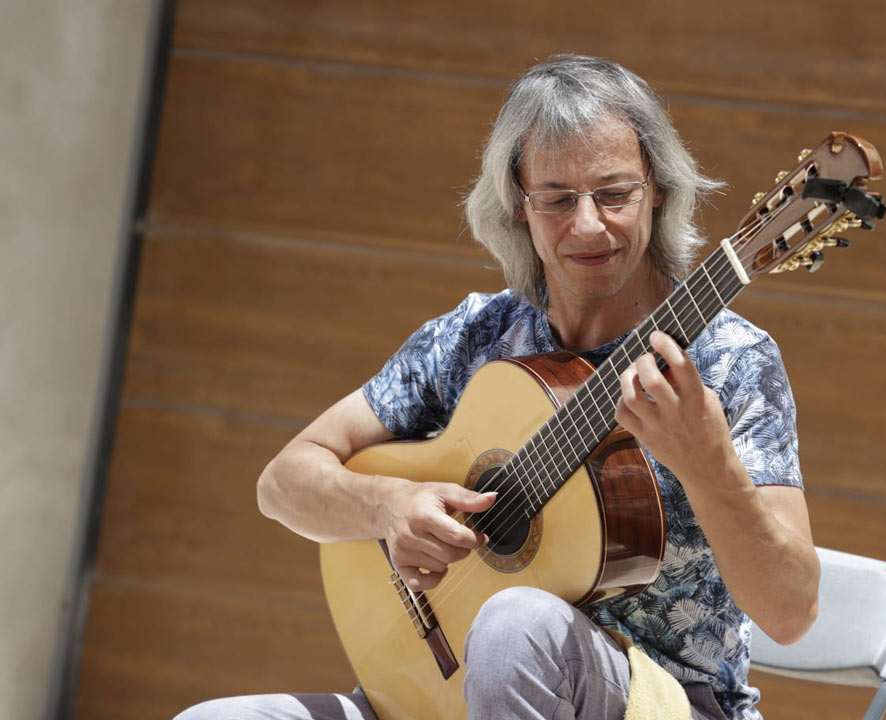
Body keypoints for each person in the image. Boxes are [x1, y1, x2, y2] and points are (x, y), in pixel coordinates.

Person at [176, 54, 819, 720]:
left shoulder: (729, 362)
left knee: (515, 624)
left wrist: (707, 463)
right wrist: (390, 507)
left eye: (614, 193)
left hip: (665, 701)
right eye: (559, 199)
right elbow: (282, 483)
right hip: (445, 696)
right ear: (518, 203)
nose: (589, 225)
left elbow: (790, 611)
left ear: (657, 188)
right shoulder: (476, 335)